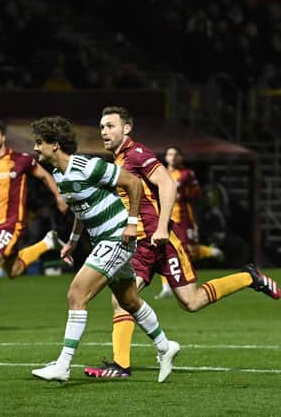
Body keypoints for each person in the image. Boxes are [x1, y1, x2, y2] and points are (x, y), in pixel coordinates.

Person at [84, 106, 281, 379]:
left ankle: (248, 278)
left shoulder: (136, 154)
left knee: (191, 302)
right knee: (125, 299)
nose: (104, 131)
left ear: (126, 128)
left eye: (110, 126)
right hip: (139, 245)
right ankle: (121, 365)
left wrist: (163, 226)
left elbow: (168, 185)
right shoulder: (116, 162)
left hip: (160, 240)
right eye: (102, 126)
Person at [29, 116, 179, 383]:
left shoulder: (87, 166)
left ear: (55, 145)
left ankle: (63, 365)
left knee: (77, 293)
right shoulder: (58, 175)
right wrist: (73, 241)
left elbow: (133, 183)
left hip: (117, 238)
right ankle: (166, 347)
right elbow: (80, 209)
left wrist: (132, 224)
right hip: (104, 240)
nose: (36, 148)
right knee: (128, 300)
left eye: (39, 142)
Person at [0, 119, 69, 334]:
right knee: (14, 270)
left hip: (13, 224)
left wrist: (59, 196)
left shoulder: (21, 160)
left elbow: (45, 175)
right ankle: (47, 243)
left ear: (3, 137)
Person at [155, 146, 223, 299]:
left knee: (188, 251)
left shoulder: (186, 174)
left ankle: (211, 251)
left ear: (180, 157)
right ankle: (166, 287)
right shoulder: (161, 173)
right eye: (169, 154)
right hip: (165, 217)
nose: (172, 157)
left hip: (184, 218)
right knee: (163, 249)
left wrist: (181, 193)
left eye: (175, 154)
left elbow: (197, 194)